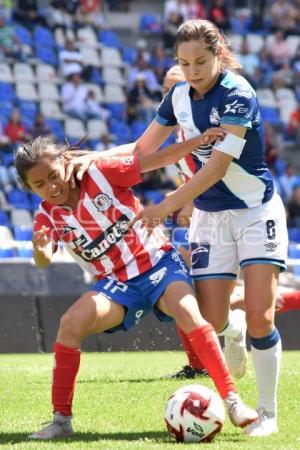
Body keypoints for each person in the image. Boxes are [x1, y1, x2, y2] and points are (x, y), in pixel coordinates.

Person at [69, 20, 287, 437]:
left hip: (256, 213)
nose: (192, 71)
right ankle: (231, 331)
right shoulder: (178, 96)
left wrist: (166, 206)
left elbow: (219, 165)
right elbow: (141, 150)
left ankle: (268, 413)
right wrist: (91, 159)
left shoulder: (239, 94)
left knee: (261, 317)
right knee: (210, 317)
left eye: (200, 62)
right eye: (184, 63)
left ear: (218, 53)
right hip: (210, 217)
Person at [14, 134, 258, 440]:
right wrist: (39, 249)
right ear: (31, 188)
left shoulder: (100, 173)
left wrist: (198, 141)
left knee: (189, 313)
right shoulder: (46, 215)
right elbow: (43, 260)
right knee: (69, 325)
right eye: (40, 184)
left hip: (158, 262)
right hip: (116, 283)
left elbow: (156, 160)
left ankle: (234, 402)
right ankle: (61, 421)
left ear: (66, 163)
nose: (51, 187)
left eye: (53, 175)